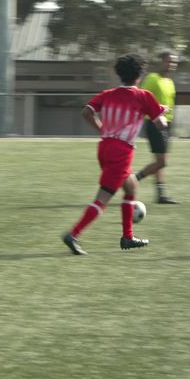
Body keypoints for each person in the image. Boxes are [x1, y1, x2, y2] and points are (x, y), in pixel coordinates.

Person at [62, 54, 168, 255]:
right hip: (122, 150)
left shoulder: (108, 94)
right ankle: (73, 234)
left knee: (131, 185)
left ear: (120, 74)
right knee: (103, 197)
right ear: (140, 75)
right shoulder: (144, 96)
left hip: (104, 147)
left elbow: (86, 112)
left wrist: (102, 129)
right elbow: (160, 125)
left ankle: (127, 237)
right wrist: (162, 115)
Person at [134, 51, 180, 204]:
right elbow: (141, 98)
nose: (172, 64)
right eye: (169, 61)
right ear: (162, 62)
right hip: (155, 123)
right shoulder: (153, 79)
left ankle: (160, 195)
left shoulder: (170, 82)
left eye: (174, 62)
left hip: (167, 124)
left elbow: (170, 105)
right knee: (161, 162)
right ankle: (133, 179)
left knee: (161, 161)